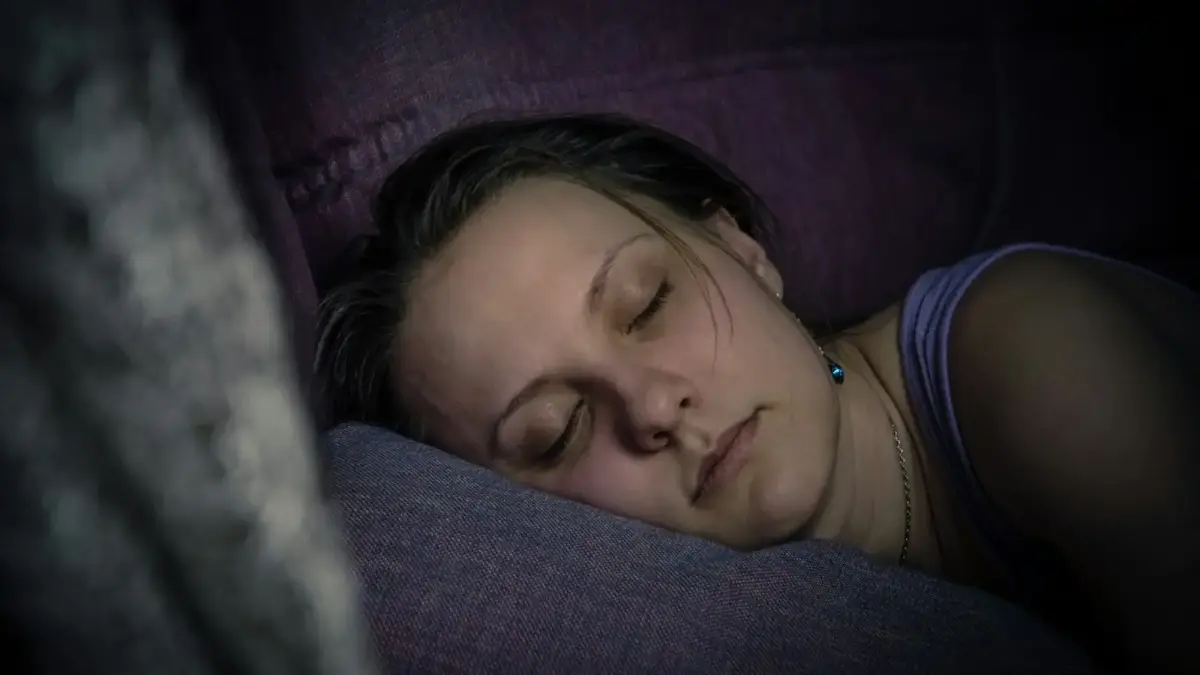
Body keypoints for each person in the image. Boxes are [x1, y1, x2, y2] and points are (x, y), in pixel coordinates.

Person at [316, 113, 1198, 674]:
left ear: (742, 252)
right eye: (558, 432)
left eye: (649, 303)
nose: (655, 408)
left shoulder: (1038, 349)